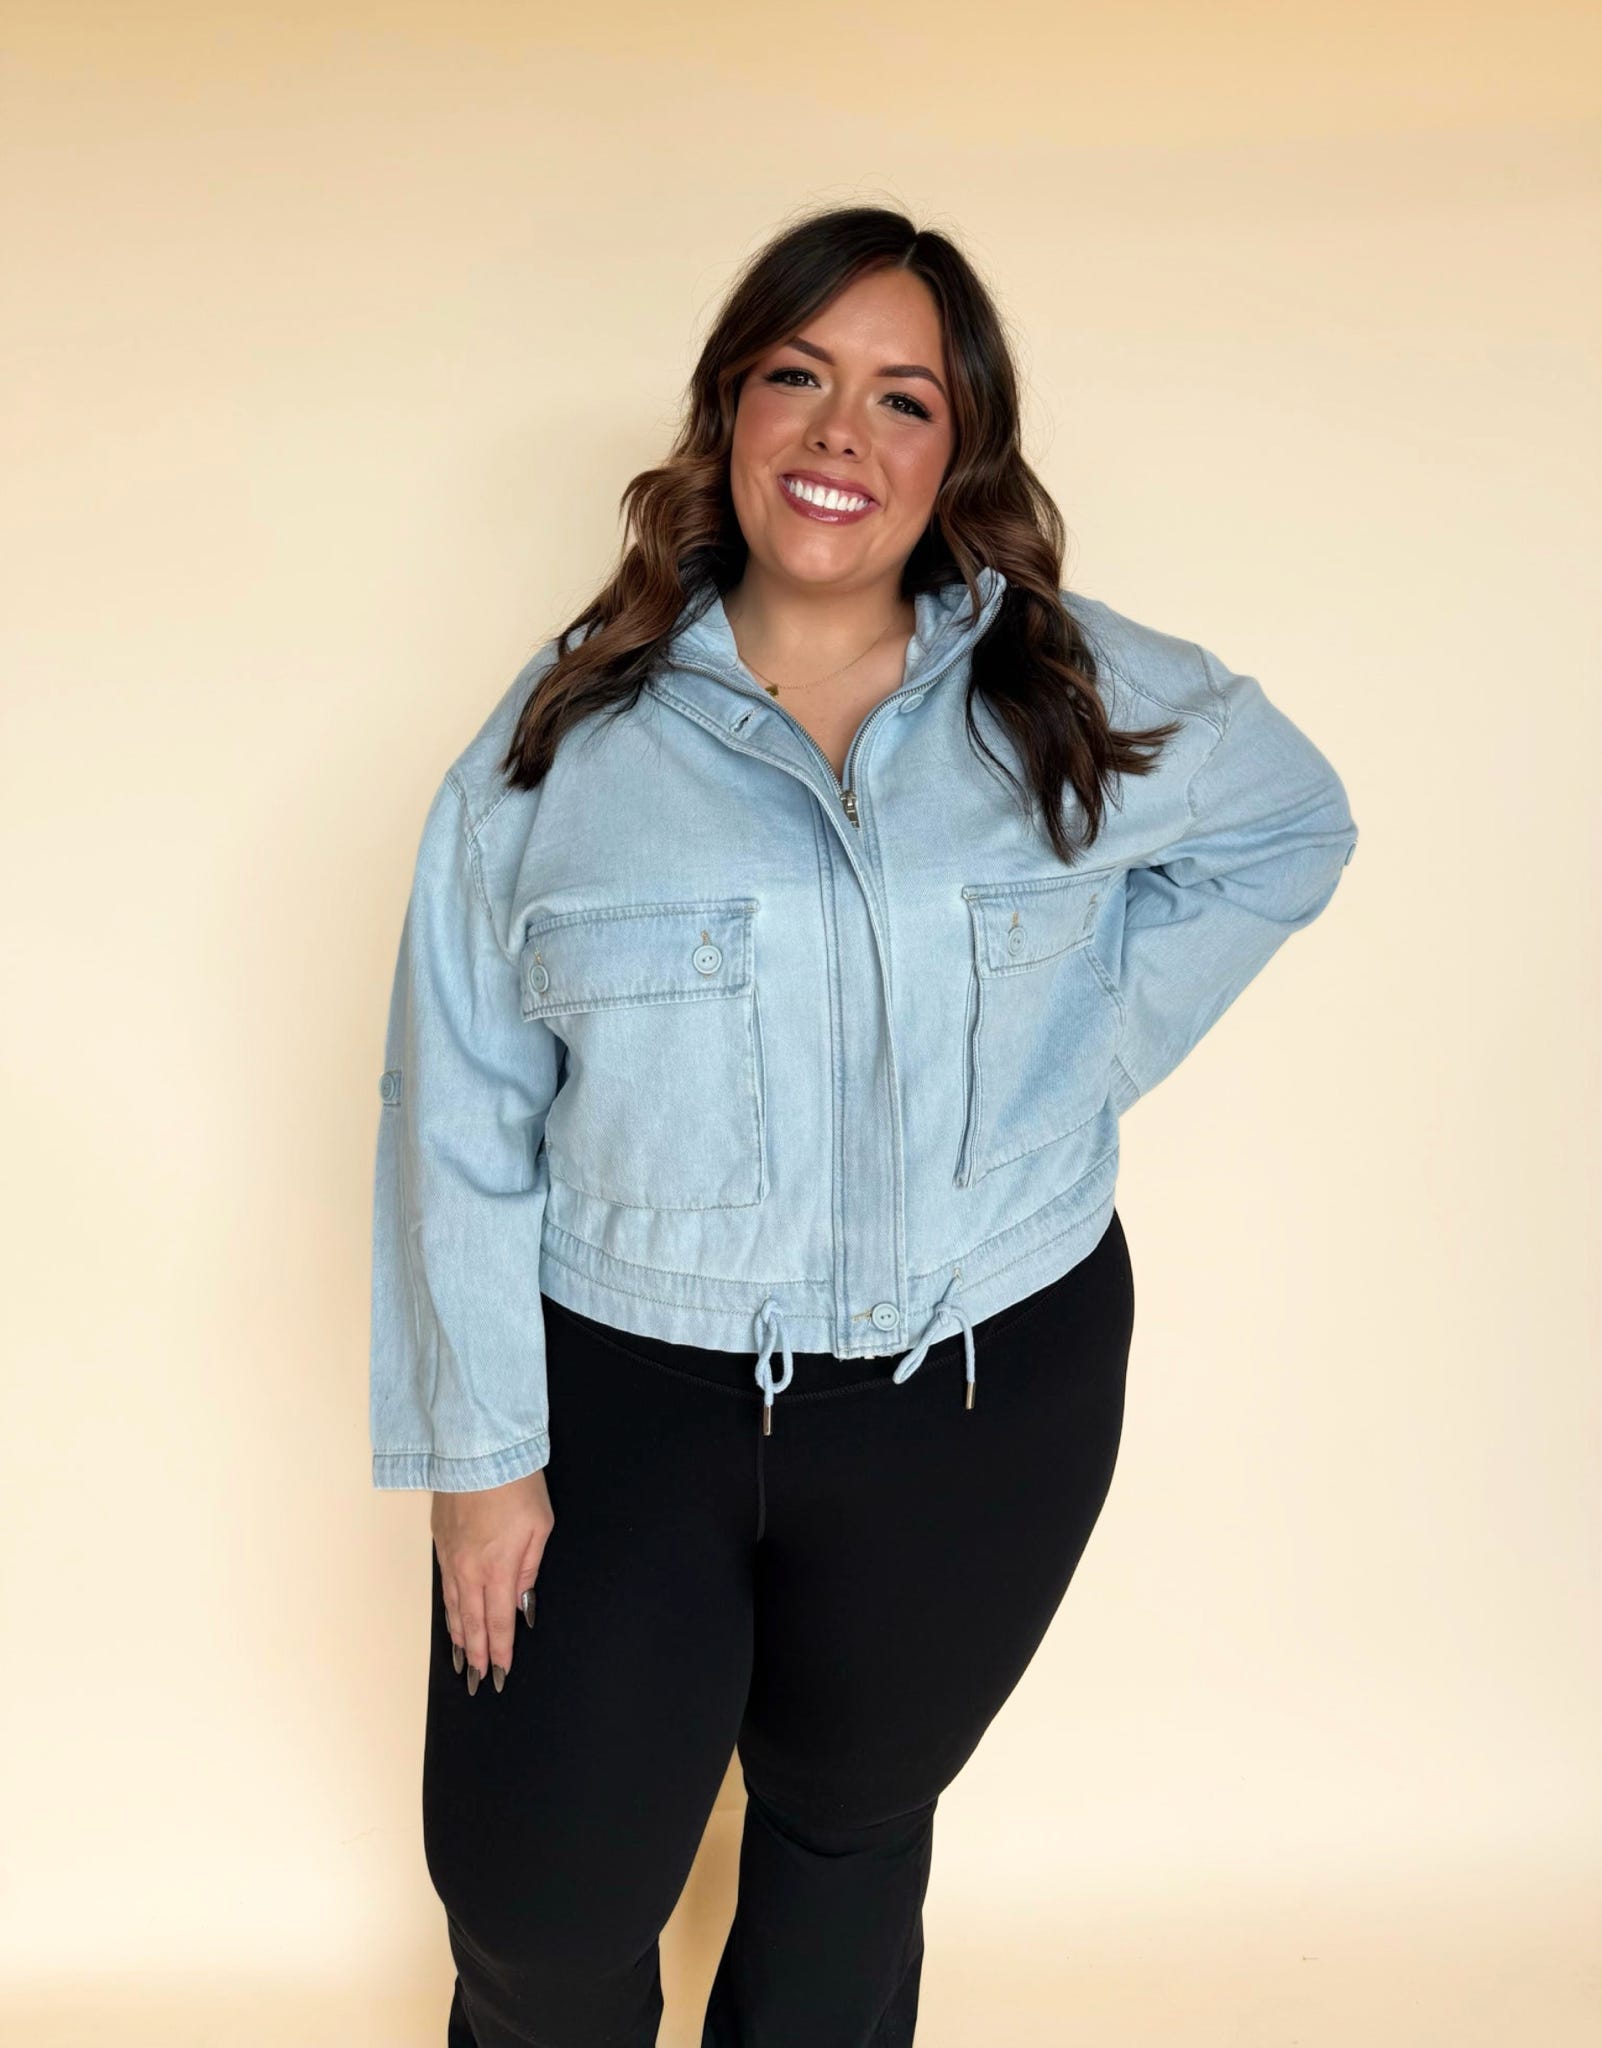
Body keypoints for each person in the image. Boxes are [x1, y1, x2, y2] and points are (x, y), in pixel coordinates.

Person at [368, 203, 1358, 2048]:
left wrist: (1060, 1070)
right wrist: (479, 1458)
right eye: (797, 380)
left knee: (841, 1848)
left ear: (956, 449)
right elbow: (455, 1103)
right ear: (727, 414)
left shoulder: (1059, 688)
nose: (841, 437)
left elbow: (1288, 826)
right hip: (625, 1403)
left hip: (982, 1394)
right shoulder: (558, 743)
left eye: (902, 400)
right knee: (537, 1900)